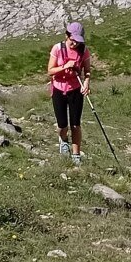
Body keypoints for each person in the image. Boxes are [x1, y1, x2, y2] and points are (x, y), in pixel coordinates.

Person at [48, 21, 92, 165]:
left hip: (75, 89)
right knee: (62, 125)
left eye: (78, 41)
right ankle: (63, 140)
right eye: (73, 41)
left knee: (75, 124)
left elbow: (87, 70)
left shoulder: (84, 50)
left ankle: (76, 155)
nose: (75, 44)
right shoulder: (57, 48)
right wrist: (65, 66)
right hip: (59, 89)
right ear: (66, 36)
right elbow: (50, 71)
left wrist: (86, 82)